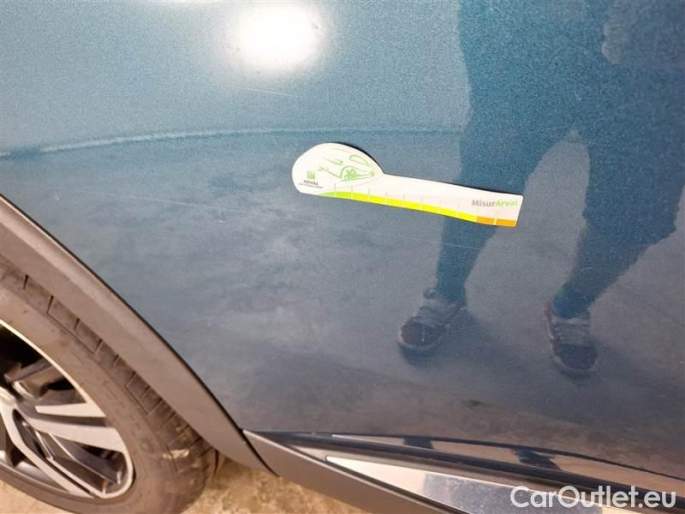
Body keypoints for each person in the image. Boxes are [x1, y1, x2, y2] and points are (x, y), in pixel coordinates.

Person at [398, 0, 685, 376]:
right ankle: (447, 289)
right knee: (488, 175)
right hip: (537, 34)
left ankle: (570, 305)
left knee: (637, 202)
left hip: (661, 53)